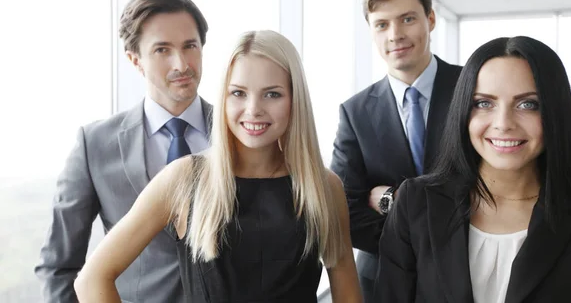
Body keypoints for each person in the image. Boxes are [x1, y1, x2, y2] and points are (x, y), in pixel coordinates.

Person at [73, 30, 362, 303]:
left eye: (272, 94)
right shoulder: (185, 178)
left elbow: (348, 295)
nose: (253, 109)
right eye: (238, 93)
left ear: (295, 100)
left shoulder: (324, 187)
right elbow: (92, 279)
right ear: (223, 97)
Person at [376, 36, 571, 302]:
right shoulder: (416, 203)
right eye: (484, 103)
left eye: (528, 104)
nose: (503, 123)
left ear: (555, 112)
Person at [35, 0, 212, 303]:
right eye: (162, 50)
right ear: (135, 60)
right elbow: (59, 266)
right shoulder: (94, 146)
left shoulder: (239, 134)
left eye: (190, 46)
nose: (181, 63)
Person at [330, 0, 462, 301]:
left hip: (465, 271)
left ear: (430, 19)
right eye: (382, 24)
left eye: (407, 19)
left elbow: (481, 185)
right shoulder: (355, 112)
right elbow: (344, 208)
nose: (395, 35)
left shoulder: (471, 90)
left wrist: (389, 199)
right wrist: (410, 247)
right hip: (383, 281)